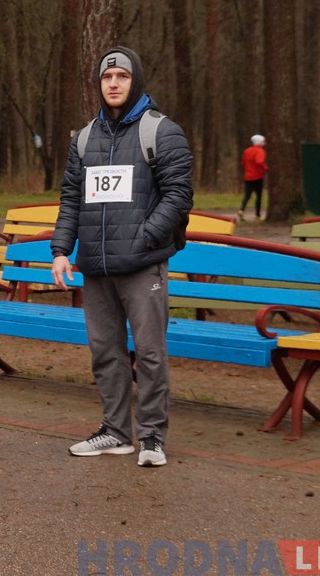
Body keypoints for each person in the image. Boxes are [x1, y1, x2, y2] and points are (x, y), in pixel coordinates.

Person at [51, 47, 193, 468]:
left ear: (136, 82)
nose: (113, 83)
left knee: (149, 352)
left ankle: (151, 437)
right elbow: (71, 200)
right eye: (107, 77)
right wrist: (62, 250)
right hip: (96, 267)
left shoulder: (162, 132)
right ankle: (115, 432)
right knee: (105, 352)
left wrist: (145, 237)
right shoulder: (84, 137)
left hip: (143, 264)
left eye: (122, 77)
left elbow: (179, 195)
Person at [238, 134, 268, 221]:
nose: (264, 143)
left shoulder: (247, 151)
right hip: (258, 176)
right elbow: (259, 161)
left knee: (247, 195)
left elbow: (243, 163)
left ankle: (241, 209)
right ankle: (257, 215)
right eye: (263, 142)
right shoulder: (260, 151)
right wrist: (265, 168)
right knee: (259, 196)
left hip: (248, 176)